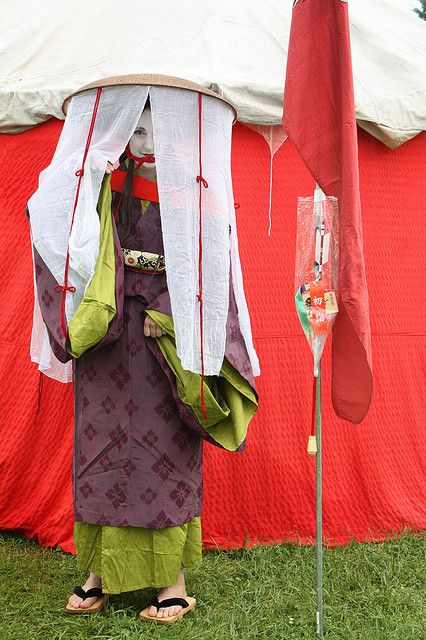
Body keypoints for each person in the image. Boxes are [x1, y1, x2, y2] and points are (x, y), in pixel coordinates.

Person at [29, 98, 258, 624]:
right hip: (106, 334)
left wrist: (175, 315)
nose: (144, 141)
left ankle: (171, 585)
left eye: (156, 129)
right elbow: (71, 244)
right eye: (135, 128)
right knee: (101, 450)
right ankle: (96, 574)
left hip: (163, 344)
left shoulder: (195, 186)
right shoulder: (102, 184)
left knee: (165, 456)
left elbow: (210, 261)